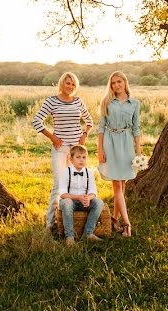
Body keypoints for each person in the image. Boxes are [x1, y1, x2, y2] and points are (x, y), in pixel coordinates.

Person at [32, 71, 94, 228]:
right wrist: (52, 137)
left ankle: (71, 219)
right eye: (68, 83)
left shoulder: (78, 101)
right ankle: (50, 223)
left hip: (77, 151)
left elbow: (89, 121)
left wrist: (84, 135)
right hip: (60, 148)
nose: (71, 86)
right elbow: (37, 121)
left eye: (73, 84)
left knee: (76, 183)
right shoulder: (51, 101)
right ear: (62, 84)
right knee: (59, 184)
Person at [97, 71, 141, 237]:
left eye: (119, 82)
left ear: (125, 82)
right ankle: (127, 224)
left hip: (126, 144)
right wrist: (100, 149)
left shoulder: (134, 103)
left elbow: (136, 128)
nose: (116, 85)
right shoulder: (107, 102)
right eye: (113, 83)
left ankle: (114, 219)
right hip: (110, 142)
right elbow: (101, 127)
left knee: (122, 186)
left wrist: (138, 151)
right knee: (117, 185)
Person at [57, 145, 104, 245]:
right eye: (78, 157)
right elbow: (62, 193)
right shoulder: (66, 172)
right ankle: (70, 236)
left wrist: (88, 198)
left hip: (84, 202)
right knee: (67, 202)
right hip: (69, 201)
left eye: (84, 157)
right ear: (71, 159)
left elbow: (93, 191)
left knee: (98, 202)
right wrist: (78, 197)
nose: (81, 160)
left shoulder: (89, 172)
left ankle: (88, 233)